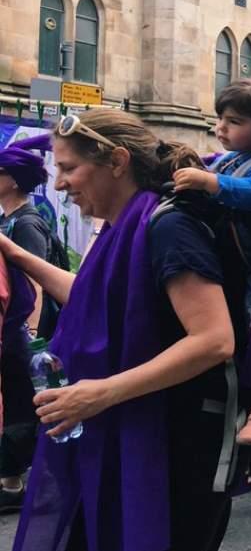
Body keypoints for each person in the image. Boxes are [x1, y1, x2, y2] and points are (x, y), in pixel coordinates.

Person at [11, 109, 237, 551]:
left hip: (176, 445)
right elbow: (91, 295)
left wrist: (100, 393)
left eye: (69, 168)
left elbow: (214, 339)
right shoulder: (121, 230)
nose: (59, 185)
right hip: (127, 432)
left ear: (116, 161)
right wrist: (16, 256)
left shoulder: (168, 227)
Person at [171, 78, 251, 446]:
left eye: (234, 121)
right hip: (237, 263)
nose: (221, 128)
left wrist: (211, 183)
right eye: (220, 119)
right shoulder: (232, 158)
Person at [0, 144, 50, 512]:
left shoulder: (26, 222)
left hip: (20, 329)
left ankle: (13, 482)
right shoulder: (8, 219)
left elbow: (35, 279)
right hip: (12, 325)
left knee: (20, 403)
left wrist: (29, 336)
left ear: (12, 180)